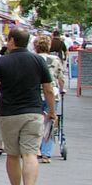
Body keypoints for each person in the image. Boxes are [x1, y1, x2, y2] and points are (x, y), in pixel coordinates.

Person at [0, 27, 56, 185]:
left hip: (9, 114)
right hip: (33, 113)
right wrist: (52, 111)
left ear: (12, 41)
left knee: (13, 155)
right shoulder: (38, 60)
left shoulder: (1, 61)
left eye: (8, 38)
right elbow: (48, 89)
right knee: (30, 155)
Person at [34, 35, 67, 163]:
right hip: (52, 94)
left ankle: (35, 149)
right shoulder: (55, 60)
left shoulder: (32, 59)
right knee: (49, 122)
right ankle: (46, 154)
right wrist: (62, 89)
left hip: (35, 94)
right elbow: (61, 78)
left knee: (35, 121)